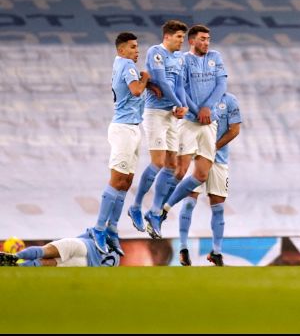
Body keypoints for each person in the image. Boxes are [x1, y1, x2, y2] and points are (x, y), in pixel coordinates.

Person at [144, 25, 227, 240]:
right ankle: (154, 210)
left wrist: (208, 107)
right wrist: (194, 109)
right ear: (192, 41)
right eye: (202, 39)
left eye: (208, 39)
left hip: (210, 122)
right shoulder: (183, 60)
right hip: (189, 122)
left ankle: (163, 210)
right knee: (179, 171)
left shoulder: (215, 57)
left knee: (201, 175)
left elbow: (221, 84)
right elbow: (179, 85)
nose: (206, 43)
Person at [90, 32, 150, 255]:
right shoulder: (126, 65)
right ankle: (99, 228)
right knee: (117, 180)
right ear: (122, 49)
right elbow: (136, 90)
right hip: (123, 128)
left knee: (126, 181)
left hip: (133, 128)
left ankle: (113, 230)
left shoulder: (122, 64)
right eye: (133, 47)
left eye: (137, 47)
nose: (137, 51)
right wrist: (145, 79)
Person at [127, 20, 188, 233]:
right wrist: (179, 104)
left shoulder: (180, 57)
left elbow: (179, 84)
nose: (182, 41)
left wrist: (184, 106)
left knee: (172, 165)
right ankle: (135, 206)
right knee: (158, 161)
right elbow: (161, 81)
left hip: (172, 115)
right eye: (179, 37)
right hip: (155, 114)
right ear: (168, 36)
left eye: (183, 37)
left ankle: (153, 212)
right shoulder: (156, 52)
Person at [178, 92, 242, 267]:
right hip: (195, 158)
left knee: (219, 208)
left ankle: (217, 252)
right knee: (189, 202)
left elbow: (235, 129)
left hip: (219, 160)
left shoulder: (229, 100)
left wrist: (212, 148)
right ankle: (183, 248)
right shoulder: (193, 97)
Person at [0, 229, 120, 267]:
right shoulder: (117, 259)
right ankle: (18, 267)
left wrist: (60, 246)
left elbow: (83, 237)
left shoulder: (103, 232)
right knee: (48, 263)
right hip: (85, 264)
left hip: (83, 246)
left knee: (44, 251)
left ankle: (15, 257)